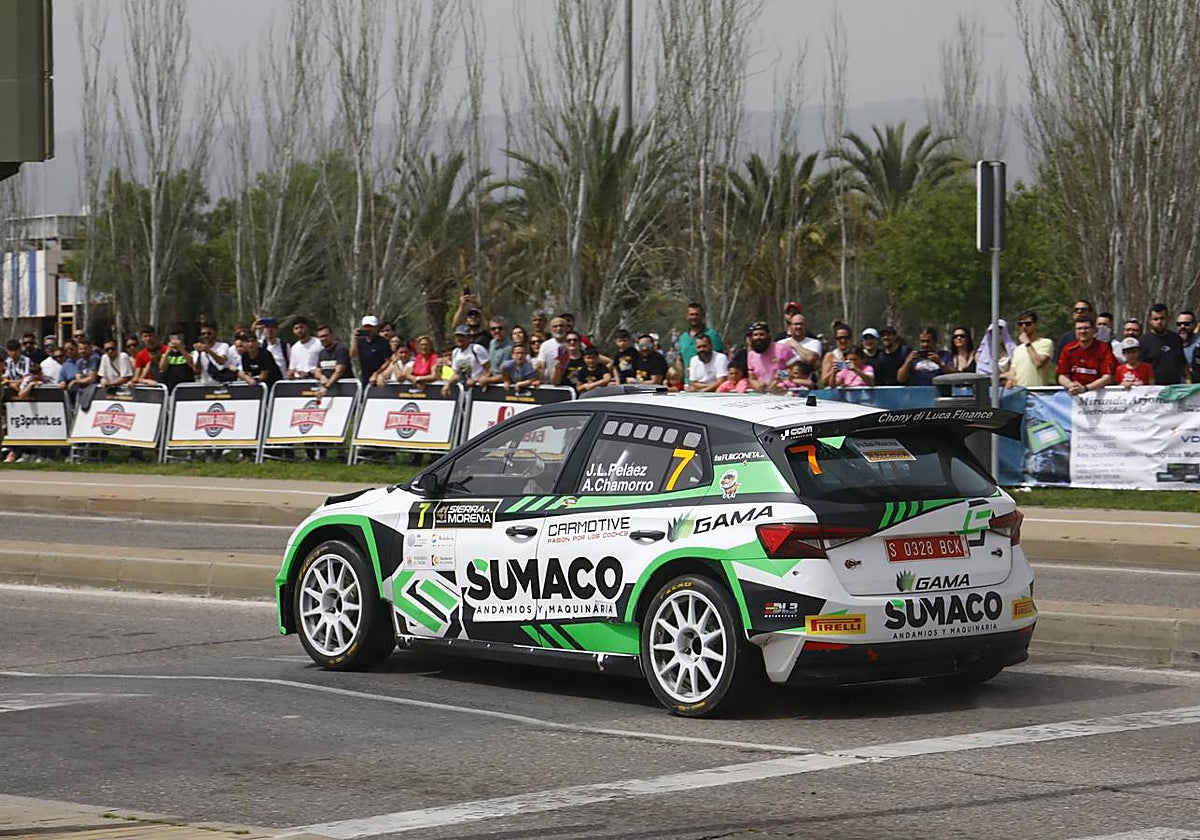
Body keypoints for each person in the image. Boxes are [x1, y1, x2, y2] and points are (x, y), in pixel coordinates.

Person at [1057, 314, 1116, 395]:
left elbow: (1108, 377)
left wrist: (1086, 388)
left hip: (1097, 395)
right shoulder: (1068, 349)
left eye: (1086, 328)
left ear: (1094, 330)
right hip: (1073, 394)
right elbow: (1062, 375)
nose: (1082, 331)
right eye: (1079, 329)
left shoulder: (1103, 348)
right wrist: (1071, 386)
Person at [1139, 303, 1188, 385]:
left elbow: (1183, 363)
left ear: (1168, 319)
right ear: (1150, 321)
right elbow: (1139, 367)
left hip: (1175, 387)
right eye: (1155, 319)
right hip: (1153, 389)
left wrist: (1188, 380)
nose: (1159, 322)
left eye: (1162, 318)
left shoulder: (1176, 339)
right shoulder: (1143, 341)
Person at [1005, 310, 1055, 387]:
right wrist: (1008, 380)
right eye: (1020, 324)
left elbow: (1038, 363)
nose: (1024, 326)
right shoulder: (1018, 349)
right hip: (1019, 391)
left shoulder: (1046, 343)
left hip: (1037, 392)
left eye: (1027, 324)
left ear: (1035, 325)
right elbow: (1013, 373)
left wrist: (1027, 343)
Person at [677, 302, 726, 377]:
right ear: (687, 316)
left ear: (702, 316)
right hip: (688, 384)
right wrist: (680, 375)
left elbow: (720, 359)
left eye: (697, 314)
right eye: (691, 314)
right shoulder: (683, 337)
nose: (694, 317)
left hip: (709, 384)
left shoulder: (712, 335)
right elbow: (679, 359)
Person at [442, 324, 490, 395]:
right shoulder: (456, 352)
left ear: (469, 338)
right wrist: (448, 384)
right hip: (463, 390)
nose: (459, 339)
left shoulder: (476, 349)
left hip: (478, 389)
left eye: (462, 336)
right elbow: (456, 374)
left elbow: (489, 368)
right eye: (457, 336)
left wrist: (476, 380)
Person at [746, 321, 792, 390]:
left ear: (768, 335)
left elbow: (793, 369)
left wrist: (778, 381)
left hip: (784, 390)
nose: (758, 337)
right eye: (755, 335)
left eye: (761, 334)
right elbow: (752, 378)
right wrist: (758, 386)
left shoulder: (782, 348)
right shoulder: (751, 355)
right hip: (763, 393)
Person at [349, 315, 389, 386]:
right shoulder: (360, 341)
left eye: (371, 326)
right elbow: (352, 355)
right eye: (366, 326)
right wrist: (354, 340)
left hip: (379, 377)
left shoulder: (383, 342)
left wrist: (377, 373)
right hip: (365, 377)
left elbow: (388, 361)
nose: (368, 329)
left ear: (376, 327)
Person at [312, 325, 351, 396]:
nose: (323, 339)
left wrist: (327, 386)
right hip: (328, 391)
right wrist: (322, 377)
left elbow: (339, 371)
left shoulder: (341, 350)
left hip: (344, 391)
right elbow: (317, 371)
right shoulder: (322, 352)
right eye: (320, 337)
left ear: (332, 335)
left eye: (325, 336)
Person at [819, 322, 855, 387]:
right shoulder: (830, 356)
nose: (843, 340)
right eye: (840, 338)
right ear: (835, 339)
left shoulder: (856, 354)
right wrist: (837, 368)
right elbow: (824, 381)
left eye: (846, 338)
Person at [486, 317, 513, 383]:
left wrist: (488, 380)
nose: (497, 331)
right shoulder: (492, 343)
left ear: (506, 330)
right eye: (493, 329)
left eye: (500, 328)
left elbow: (508, 374)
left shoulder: (510, 348)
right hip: (493, 383)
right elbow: (492, 367)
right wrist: (486, 377)